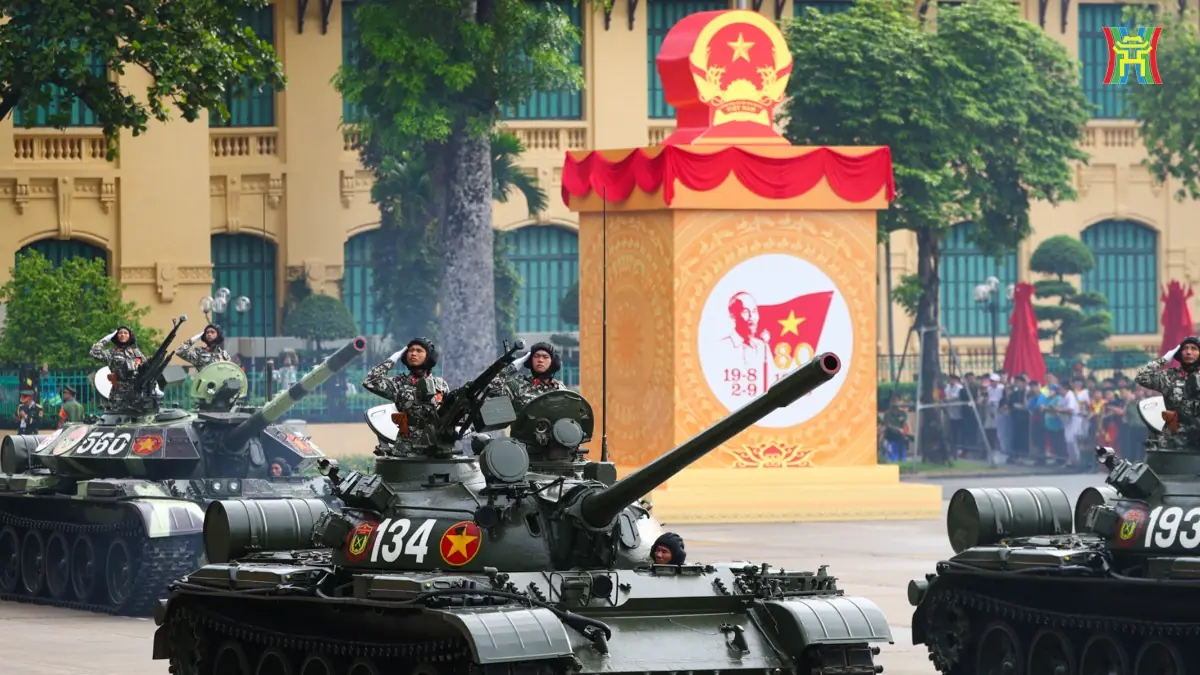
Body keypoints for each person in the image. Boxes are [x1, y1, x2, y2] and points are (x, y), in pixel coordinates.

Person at [362, 337, 450, 441]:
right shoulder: (399, 383)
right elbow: (370, 381)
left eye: (419, 351)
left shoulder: (440, 385)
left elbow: (450, 411)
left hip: (435, 441)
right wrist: (392, 359)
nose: (413, 354)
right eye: (411, 350)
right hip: (407, 444)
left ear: (429, 356)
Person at [1135, 338, 1200, 444]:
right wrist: (1163, 360)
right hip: (1174, 437)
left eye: (1194, 349)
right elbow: (1141, 377)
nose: (1189, 352)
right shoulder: (1169, 375)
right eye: (1185, 348)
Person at [490, 341, 569, 408]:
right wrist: (512, 367)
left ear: (552, 362)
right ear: (530, 360)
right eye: (536, 356)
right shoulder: (518, 384)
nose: (540, 360)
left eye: (545, 357)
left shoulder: (559, 388)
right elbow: (492, 390)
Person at [89, 326, 147, 407]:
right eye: (120, 333)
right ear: (116, 336)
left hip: (137, 393)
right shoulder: (111, 353)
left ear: (130, 336)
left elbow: (147, 367)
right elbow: (94, 352)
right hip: (119, 395)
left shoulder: (136, 353)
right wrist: (105, 339)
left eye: (125, 333)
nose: (123, 335)